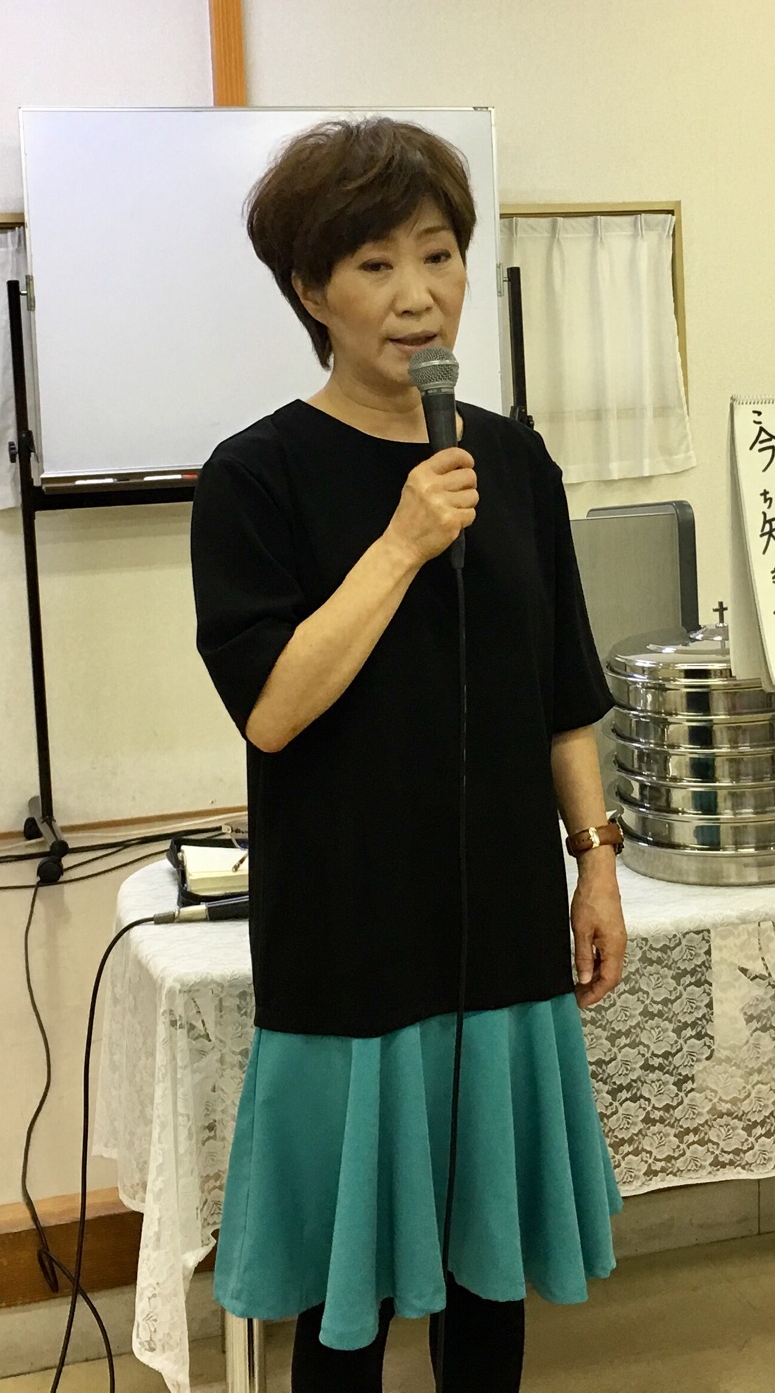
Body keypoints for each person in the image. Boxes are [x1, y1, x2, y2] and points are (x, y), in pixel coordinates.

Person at [189, 117, 626, 1393]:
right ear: (310, 290)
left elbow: (561, 690)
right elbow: (274, 709)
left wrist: (595, 861)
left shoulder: (513, 458)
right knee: (355, 1299)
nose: (418, 294)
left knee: (489, 1280)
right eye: (375, 265)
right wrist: (400, 542)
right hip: (351, 936)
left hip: (502, 917)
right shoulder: (256, 477)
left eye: (438, 255)